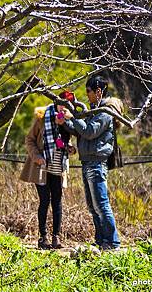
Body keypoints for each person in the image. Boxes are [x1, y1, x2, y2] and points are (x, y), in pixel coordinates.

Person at [56, 75, 122, 250]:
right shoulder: (94, 109)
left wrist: (73, 118)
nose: (87, 95)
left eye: (89, 92)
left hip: (97, 163)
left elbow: (90, 131)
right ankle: (101, 241)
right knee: (93, 207)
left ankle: (113, 242)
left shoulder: (105, 112)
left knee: (101, 205)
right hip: (88, 162)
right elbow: (81, 132)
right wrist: (66, 122)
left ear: (99, 91)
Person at [22, 91, 76, 249]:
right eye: (63, 103)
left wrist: (71, 148)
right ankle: (43, 236)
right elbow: (29, 139)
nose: (64, 107)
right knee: (44, 200)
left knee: (57, 201)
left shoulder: (69, 122)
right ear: (56, 103)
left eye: (68, 105)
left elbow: (68, 142)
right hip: (42, 165)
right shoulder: (42, 118)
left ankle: (56, 237)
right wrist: (36, 156)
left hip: (59, 166)